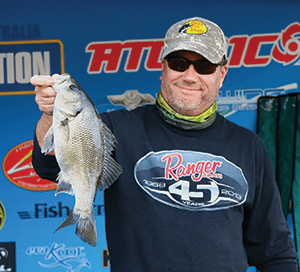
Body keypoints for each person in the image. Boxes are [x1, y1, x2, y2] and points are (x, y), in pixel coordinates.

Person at [31, 17, 298, 272]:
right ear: (163, 68)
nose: (190, 76)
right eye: (179, 63)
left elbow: (275, 250)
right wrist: (50, 113)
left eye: (204, 66)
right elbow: (47, 165)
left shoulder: (248, 145)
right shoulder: (117, 128)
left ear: (222, 74)